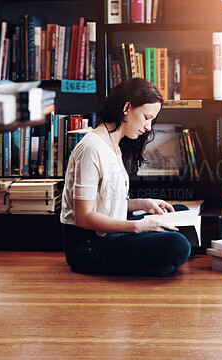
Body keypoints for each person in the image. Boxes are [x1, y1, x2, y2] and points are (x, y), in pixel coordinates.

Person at [60, 78, 191, 276]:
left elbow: (104, 202)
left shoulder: (114, 145)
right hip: (89, 246)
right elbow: (83, 217)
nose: (148, 127)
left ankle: (154, 265)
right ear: (127, 107)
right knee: (178, 244)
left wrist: (142, 204)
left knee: (179, 212)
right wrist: (137, 226)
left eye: (151, 120)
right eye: (146, 117)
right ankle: (155, 265)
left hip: (111, 232)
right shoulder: (91, 149)